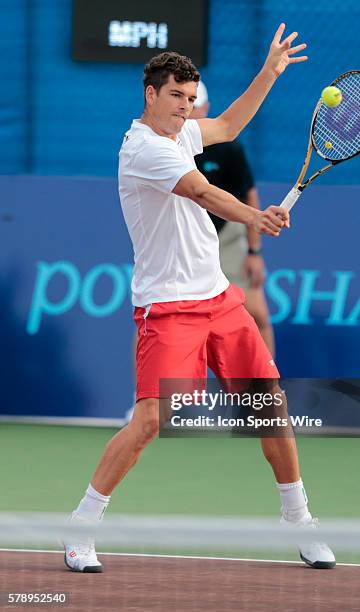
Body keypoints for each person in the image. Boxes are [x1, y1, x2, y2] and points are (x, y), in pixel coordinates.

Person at [63, 23, 335, 572]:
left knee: (270, 406)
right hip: (167, 307)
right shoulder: (143, 149)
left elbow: (230, 123)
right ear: (151, 94)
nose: (185, 108)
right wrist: (256, 217)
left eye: (190, 99)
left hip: (219, 298)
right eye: (176, 97)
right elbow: (202, 191)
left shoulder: (185, 132)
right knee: (150, 421)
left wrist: (269, 72)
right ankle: (80, 527)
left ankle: (299, 520)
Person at [190, 81, 274, 354]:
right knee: (152, 318)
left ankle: (266, 393)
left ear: (206, 107)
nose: (191, 111)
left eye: (196, 104)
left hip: (226, 237)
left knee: (257, 316)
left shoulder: (229, 148)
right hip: (185, 240)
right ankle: (145, 395)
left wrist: (254, 251)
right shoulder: (165, 147)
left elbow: (249, 195)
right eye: (185, 104)